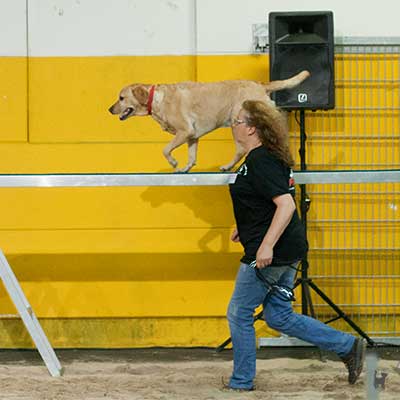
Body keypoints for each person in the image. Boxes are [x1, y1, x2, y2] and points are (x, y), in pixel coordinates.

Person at [225, 100, 366, 391]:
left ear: (251, 128)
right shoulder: (264, 158)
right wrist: (247, 225)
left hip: (272, 254)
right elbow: (264, 200)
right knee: (278, 315)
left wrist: (265, 245)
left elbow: (286, 205)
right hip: (287, 249)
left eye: (236, 121)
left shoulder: (261, 160)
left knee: (239, 313)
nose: (233, 126)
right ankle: (348, 346)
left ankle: (241, 383)